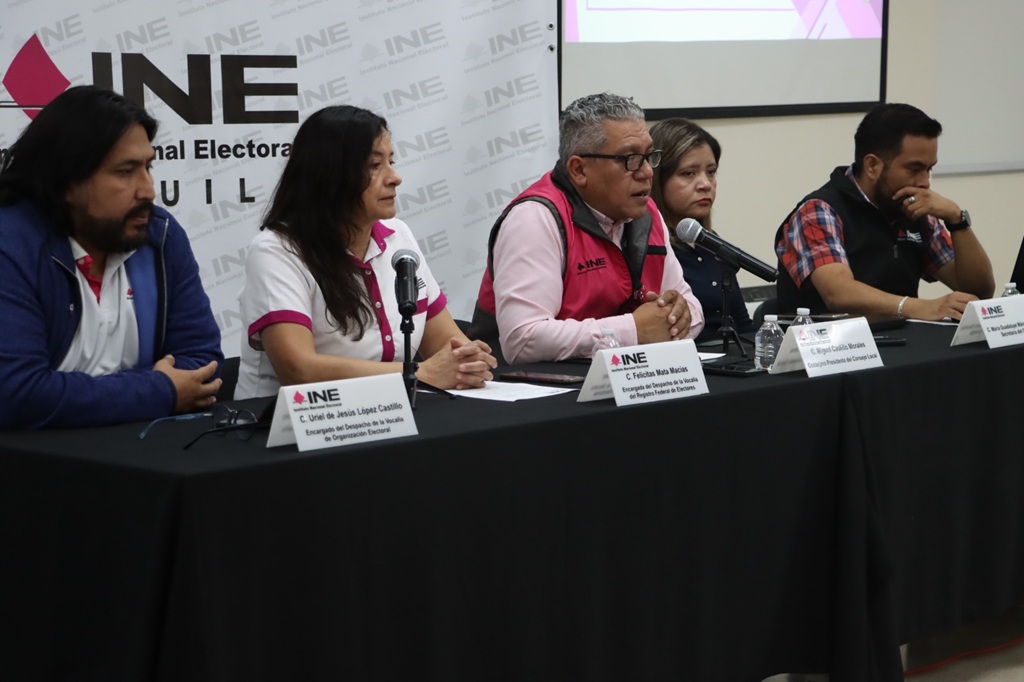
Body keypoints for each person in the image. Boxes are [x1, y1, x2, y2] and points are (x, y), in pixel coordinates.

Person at [234, 105, 496, 399]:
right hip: (278, 430)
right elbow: (299, 370)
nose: (395, 177)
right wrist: (418, 374)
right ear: (330, 175)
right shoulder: (277, 251)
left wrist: (469, 361)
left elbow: (448, 346)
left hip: (383, 415)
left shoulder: (398, 235)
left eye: (391, 161)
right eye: (374, 166)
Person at [0, 86, 223, 430]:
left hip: (140, 461)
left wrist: (87, 396)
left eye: (149, 166)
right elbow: (17, 393)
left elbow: (202, 364)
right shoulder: (11, 244)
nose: (148, 189)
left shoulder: (159, 235)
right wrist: (158, 389)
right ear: (66, 184)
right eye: (125, 171)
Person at [470, 93, 704, 363]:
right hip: (526, 392)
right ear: (579, 170)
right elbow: (522, 340)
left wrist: (675, 314)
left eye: (650, 156)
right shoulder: (535, 218)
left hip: (621, 382)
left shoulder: (645, 212)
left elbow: (691, 308)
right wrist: (634, 329)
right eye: (630, 158)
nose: (647, 172)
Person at [774, 103, 994, 320]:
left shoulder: (915, 209)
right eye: (914, 169)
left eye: (929, 169)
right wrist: (919, 307)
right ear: (872, 166)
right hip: (833, 350)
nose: (925, 182)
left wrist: (956, 220)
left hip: (905, 347)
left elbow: (978, 292)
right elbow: (839, 293)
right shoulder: (819, 211)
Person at [650, 118, 754, 343]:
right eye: (688, 173)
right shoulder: (651, 250)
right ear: (658, 179)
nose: (705, 184)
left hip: (732, 363)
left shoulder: (712, 244)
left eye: (711, 172)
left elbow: (743, 326)